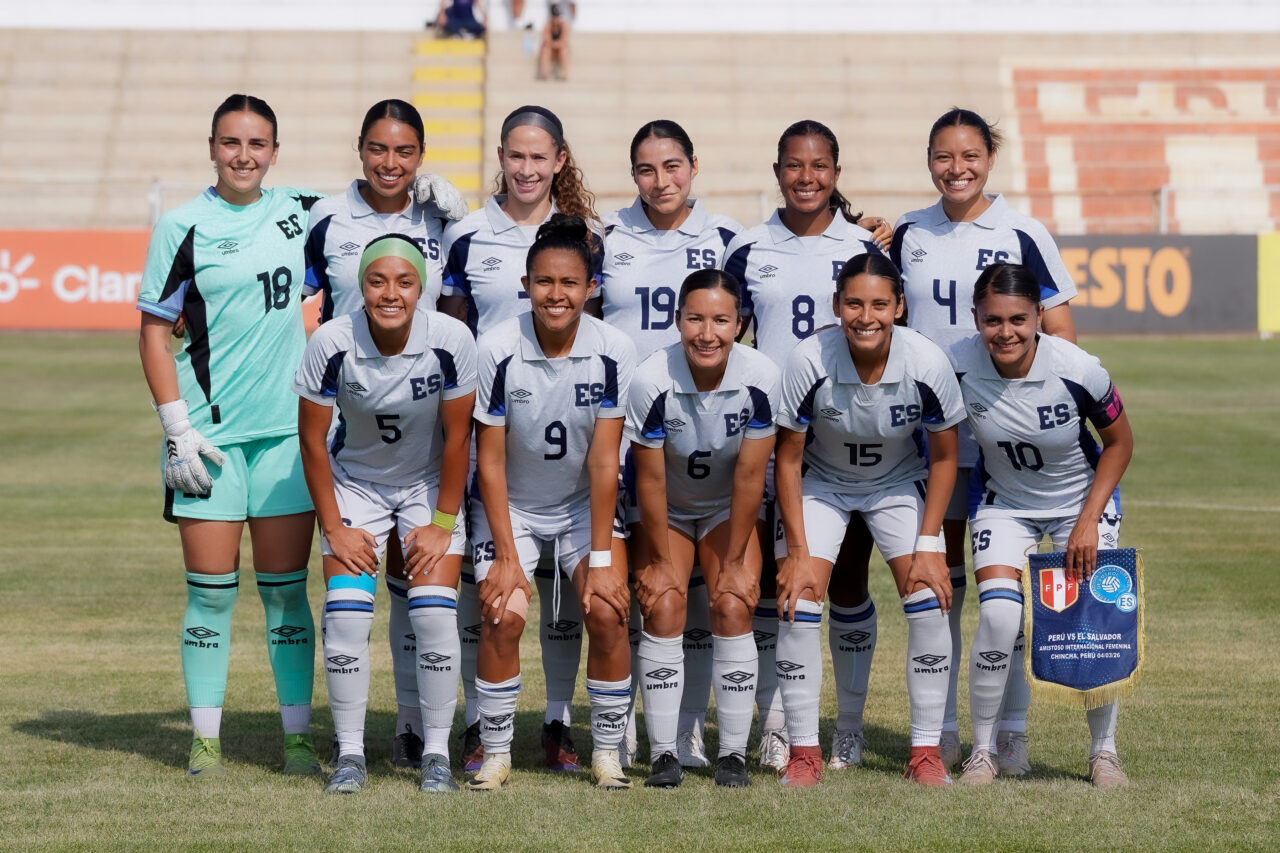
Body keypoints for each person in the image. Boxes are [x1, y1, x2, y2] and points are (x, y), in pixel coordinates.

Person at [137, 94, 322, 779]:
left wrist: (428, 194)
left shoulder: (304, 209)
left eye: (257, 143)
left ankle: (298, 737)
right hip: (209, 441)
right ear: (211, 146)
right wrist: (175, 426)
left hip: (284, 439)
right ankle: (205, 739)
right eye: (231, 142)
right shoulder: (181, 226)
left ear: (276, 150)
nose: (244, 154)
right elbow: (155, 332)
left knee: (284, 591)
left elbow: (374, 205)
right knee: (211, 592)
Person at [889, 107, 1079, 772]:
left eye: (969, 155)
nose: (957, 167)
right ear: (930, 159)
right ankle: (937, 733)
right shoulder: (908, 231)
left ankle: (1009, 734)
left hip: (1002, 448)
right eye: (944, 155)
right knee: (941, 591)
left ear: (989, 158)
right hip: (928, 444)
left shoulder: (1023, 230)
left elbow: (1061, 334)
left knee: (1007, 603)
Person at [303, 98, 468, 771]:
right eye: (378, 148)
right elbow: (302, 300)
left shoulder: (442, 220)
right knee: (349, 611)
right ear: (360, 148)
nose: (391, 162)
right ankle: (350, 752)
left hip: (427, 452)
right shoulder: (326, 220)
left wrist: (460, 216)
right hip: (356, 444)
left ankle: (424, 742)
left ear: (421, 155)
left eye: (404, 151)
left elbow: (460, 437)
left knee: (424, 605)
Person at [720, 119, 888, 772]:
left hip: (848, 438)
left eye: (819, 166)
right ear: (777, 171)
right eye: (794, 164)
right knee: (774, 582)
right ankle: (778, 717)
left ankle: (846, 725)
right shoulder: (747, 248)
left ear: (837, 174)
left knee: (844, 581)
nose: (807, 177)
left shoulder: (864, 247)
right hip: (772, 439)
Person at [440, 104, 599, 773]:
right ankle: (481, 722)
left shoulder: (587, 236)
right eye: (516, 156)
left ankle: (558, 722)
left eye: (540, 157)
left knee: (566, 597)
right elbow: (450, 340)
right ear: (500, 157)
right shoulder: (468, 234)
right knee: (492, 591)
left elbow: (600, 337)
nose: (527, 168)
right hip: (491, 438)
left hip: (568, 441)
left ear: (560, 160)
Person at [772, 253, 963, 788]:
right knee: (798, 600)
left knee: (927, 598)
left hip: (897, 482)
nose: (866, 315)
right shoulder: (809, 359)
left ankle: (925, 751)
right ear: (836, 306)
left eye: (880, 303)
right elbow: (787, 459)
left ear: (899, 307)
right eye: (853, 303)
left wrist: (930, 543)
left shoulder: (926, 362)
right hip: (823, 483)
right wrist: (798, 550)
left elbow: (945, 457)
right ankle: (804, 751)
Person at [467, 214, 637, 790]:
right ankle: (495, 753)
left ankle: (607, 753)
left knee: (609, 609)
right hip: (511, 504)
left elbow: (603, 460)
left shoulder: (614, 348)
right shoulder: (495, 347)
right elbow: (488, 459)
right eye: (544, 282)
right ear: (525, 283)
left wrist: (602, 559)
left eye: (569, 283)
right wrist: (509, 555)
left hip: (582, 504)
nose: (556, 294)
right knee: (500, 614)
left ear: (591, 288)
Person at [950, 263, 1132, 788]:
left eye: (1018, 319)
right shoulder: (955, 365)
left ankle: (1104, 754)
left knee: (1090, 622)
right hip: (1004, 504)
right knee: (1001, 620)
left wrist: (1087, 522)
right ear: (976, 318)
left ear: (1037, 317)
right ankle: (984, 752)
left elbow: (1120, 443)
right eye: (993, 320)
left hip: (1082, 503)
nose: (1005, 332)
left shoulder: (1079, 369)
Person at [601, 119, 743, 769]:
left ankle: (688, 728)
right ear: (633, 175)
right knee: (639, 589)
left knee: (708, 597)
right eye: (646, 169)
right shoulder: (608, 237)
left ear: (694, 165)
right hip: (623, 437)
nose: (661, 181)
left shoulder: (727, 240)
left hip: (702, 435)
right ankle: (627, 716)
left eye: (673, 166)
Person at [627, 269, 778, 789]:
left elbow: (751, 475)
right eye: (695, 319)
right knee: (666, 600)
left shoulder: (761, 376)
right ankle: (664, 753)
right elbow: (647, 479)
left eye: (720, 320)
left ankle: (732, 755)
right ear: (677, 321)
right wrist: (660, 560)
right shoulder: (652, 379)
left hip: (724, 508)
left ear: (740, 324)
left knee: (733, 602)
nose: (706, 333)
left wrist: (736, 561)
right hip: (665, 508)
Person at [537, 3, 570, 81]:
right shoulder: (548, 25)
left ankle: (564, 74)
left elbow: (564, 39)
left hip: (559, 49)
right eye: (554, 16)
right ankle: (544, 74)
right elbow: (546, 38)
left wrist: (557, 44)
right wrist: (553, 44)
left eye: (557, 16)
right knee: (545, 50)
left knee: (564, 50)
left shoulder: (564, 25)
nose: (556, 18)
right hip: (551, 48)